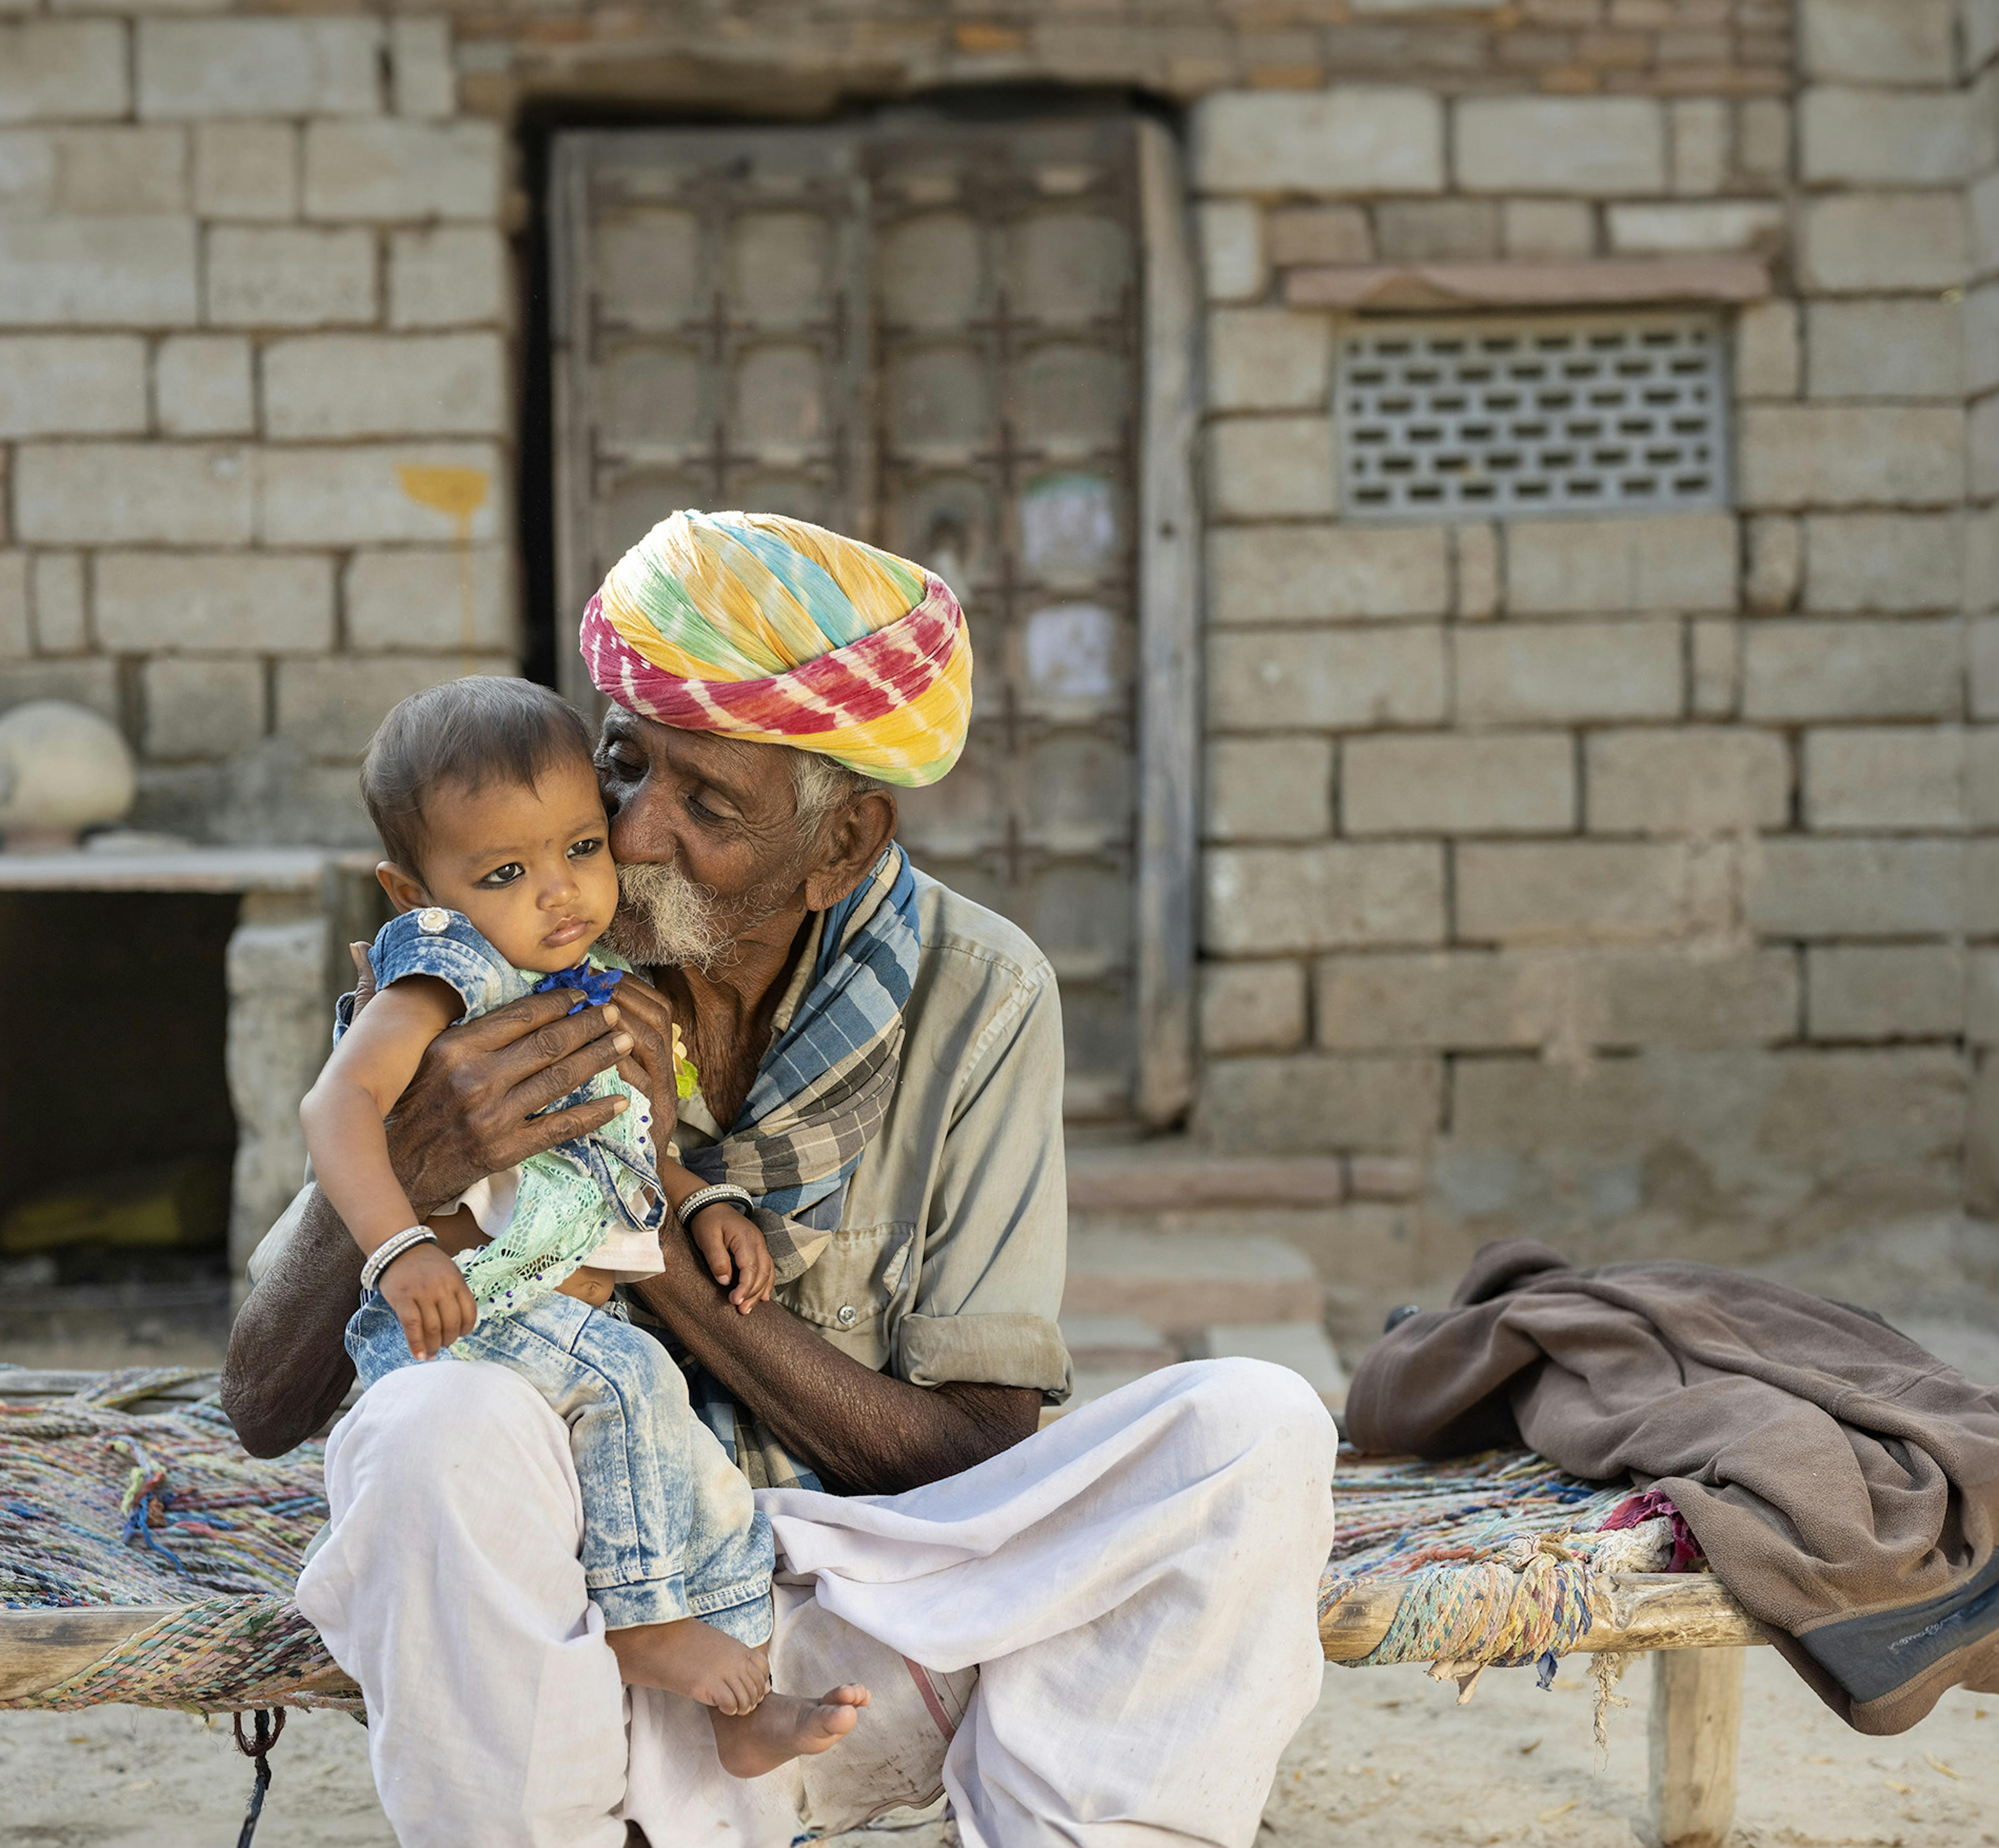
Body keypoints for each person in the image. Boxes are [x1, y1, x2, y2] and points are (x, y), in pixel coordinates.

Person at [226, 509, 1336, 1848]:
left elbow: (976, 1452)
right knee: (425, 1435)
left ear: (843, 846)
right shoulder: (492, 962)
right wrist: (420, 1160)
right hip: (598, 1622)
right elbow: (264, 1399)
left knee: (1257, 1430)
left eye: (709, 808)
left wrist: (659, 1227)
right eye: (626, 771)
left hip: (873, 1609)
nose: (628, 843)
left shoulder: (980, 995)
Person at [301, 674, 869, 1773]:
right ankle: (649, 1625)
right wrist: (401, 1245)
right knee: (632, 1385)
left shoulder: (584, 971)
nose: (559, 893)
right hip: (477, 1314)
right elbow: (337, 1106)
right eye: (505, 873)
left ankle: (742, 1714)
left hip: (557, 1320)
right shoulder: (445, 972)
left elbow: (613, 1133)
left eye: (580, 849)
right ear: (412, 888)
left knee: (706, 1468)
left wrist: (697, 1197)